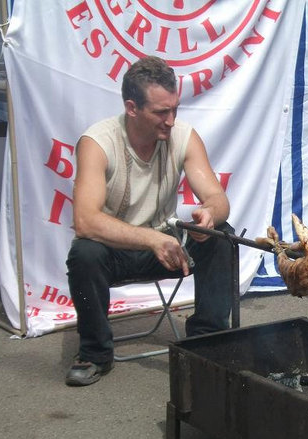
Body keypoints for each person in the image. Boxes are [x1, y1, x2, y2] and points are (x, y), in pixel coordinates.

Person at [65, 55, 234, 386]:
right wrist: (151, 239)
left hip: (167, 246)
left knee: (221, 235)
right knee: (84, 253)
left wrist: (210, 213)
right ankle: (95, 353)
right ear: (131, 108)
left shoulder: (184, 136)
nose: (170, 120)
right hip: (116, 250)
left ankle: (206, 342)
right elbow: (85, 222)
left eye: (174, 109)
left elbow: (218, 198)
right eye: (160, 112)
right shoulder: (97, 142)